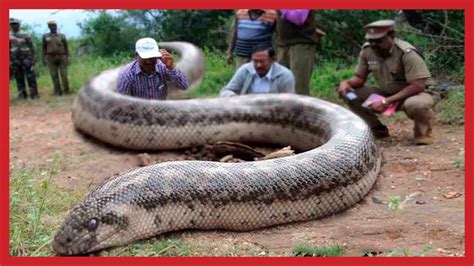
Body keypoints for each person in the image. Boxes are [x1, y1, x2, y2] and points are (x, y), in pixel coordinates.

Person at [336, 20, 440, 145]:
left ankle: (423, 133)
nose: (374, 44)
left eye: (379, 40)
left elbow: (417, 86)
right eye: (371, 40)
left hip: (418, 93)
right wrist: (346, 83)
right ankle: (376, 130)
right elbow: (359, 78)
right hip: (387, 93)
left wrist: (386, 101)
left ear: (391, 37)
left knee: (416, 104)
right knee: (350, 94)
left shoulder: (407, 53)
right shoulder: (367, 50)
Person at [117, 37, 189, 100]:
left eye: (152, 57)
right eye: (145, 58)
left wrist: (171, 67)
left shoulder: (163, 67)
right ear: (137, 55)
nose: (148, 61)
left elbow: (184, 86)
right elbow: (123, 103)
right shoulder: (126, 75)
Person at [220, 44, 295, 97]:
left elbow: (290, 101)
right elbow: (226, 91)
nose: (258, 65)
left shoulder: (285, 75)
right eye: (255, 61)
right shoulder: (245, 70)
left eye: (262, 61)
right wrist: (235, 98)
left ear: (273, 59)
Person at [275, 9, 320, 96]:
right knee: (280, 87)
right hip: (283, 44)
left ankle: (301, 110)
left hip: (301, 44)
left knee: (299, 89)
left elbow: (299, 18)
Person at [9, 18, 39, 99]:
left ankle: (34, 94)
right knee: (18, 76)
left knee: (30, 76)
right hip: (15, 57)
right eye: (12, 24)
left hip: (26, 56)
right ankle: (22, 94)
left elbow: (31, 46)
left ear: (19, 24)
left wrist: (33, 58)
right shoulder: (9, 35)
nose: (14, 25)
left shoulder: (25, 34)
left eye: (15, 23)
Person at [42, 20, 71, 95]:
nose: (53, 27)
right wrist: (43, 58)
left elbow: (66, 47)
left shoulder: (62, 36)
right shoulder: (45, 36)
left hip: (62, 56)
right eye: (51, 26)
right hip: (50, 57)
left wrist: (68, 57)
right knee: (54, 75)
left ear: (56, 26)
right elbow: (43, 48)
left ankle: (66, 91)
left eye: (54, 25)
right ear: (49, 27)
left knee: (64, 74)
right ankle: (58, 91)